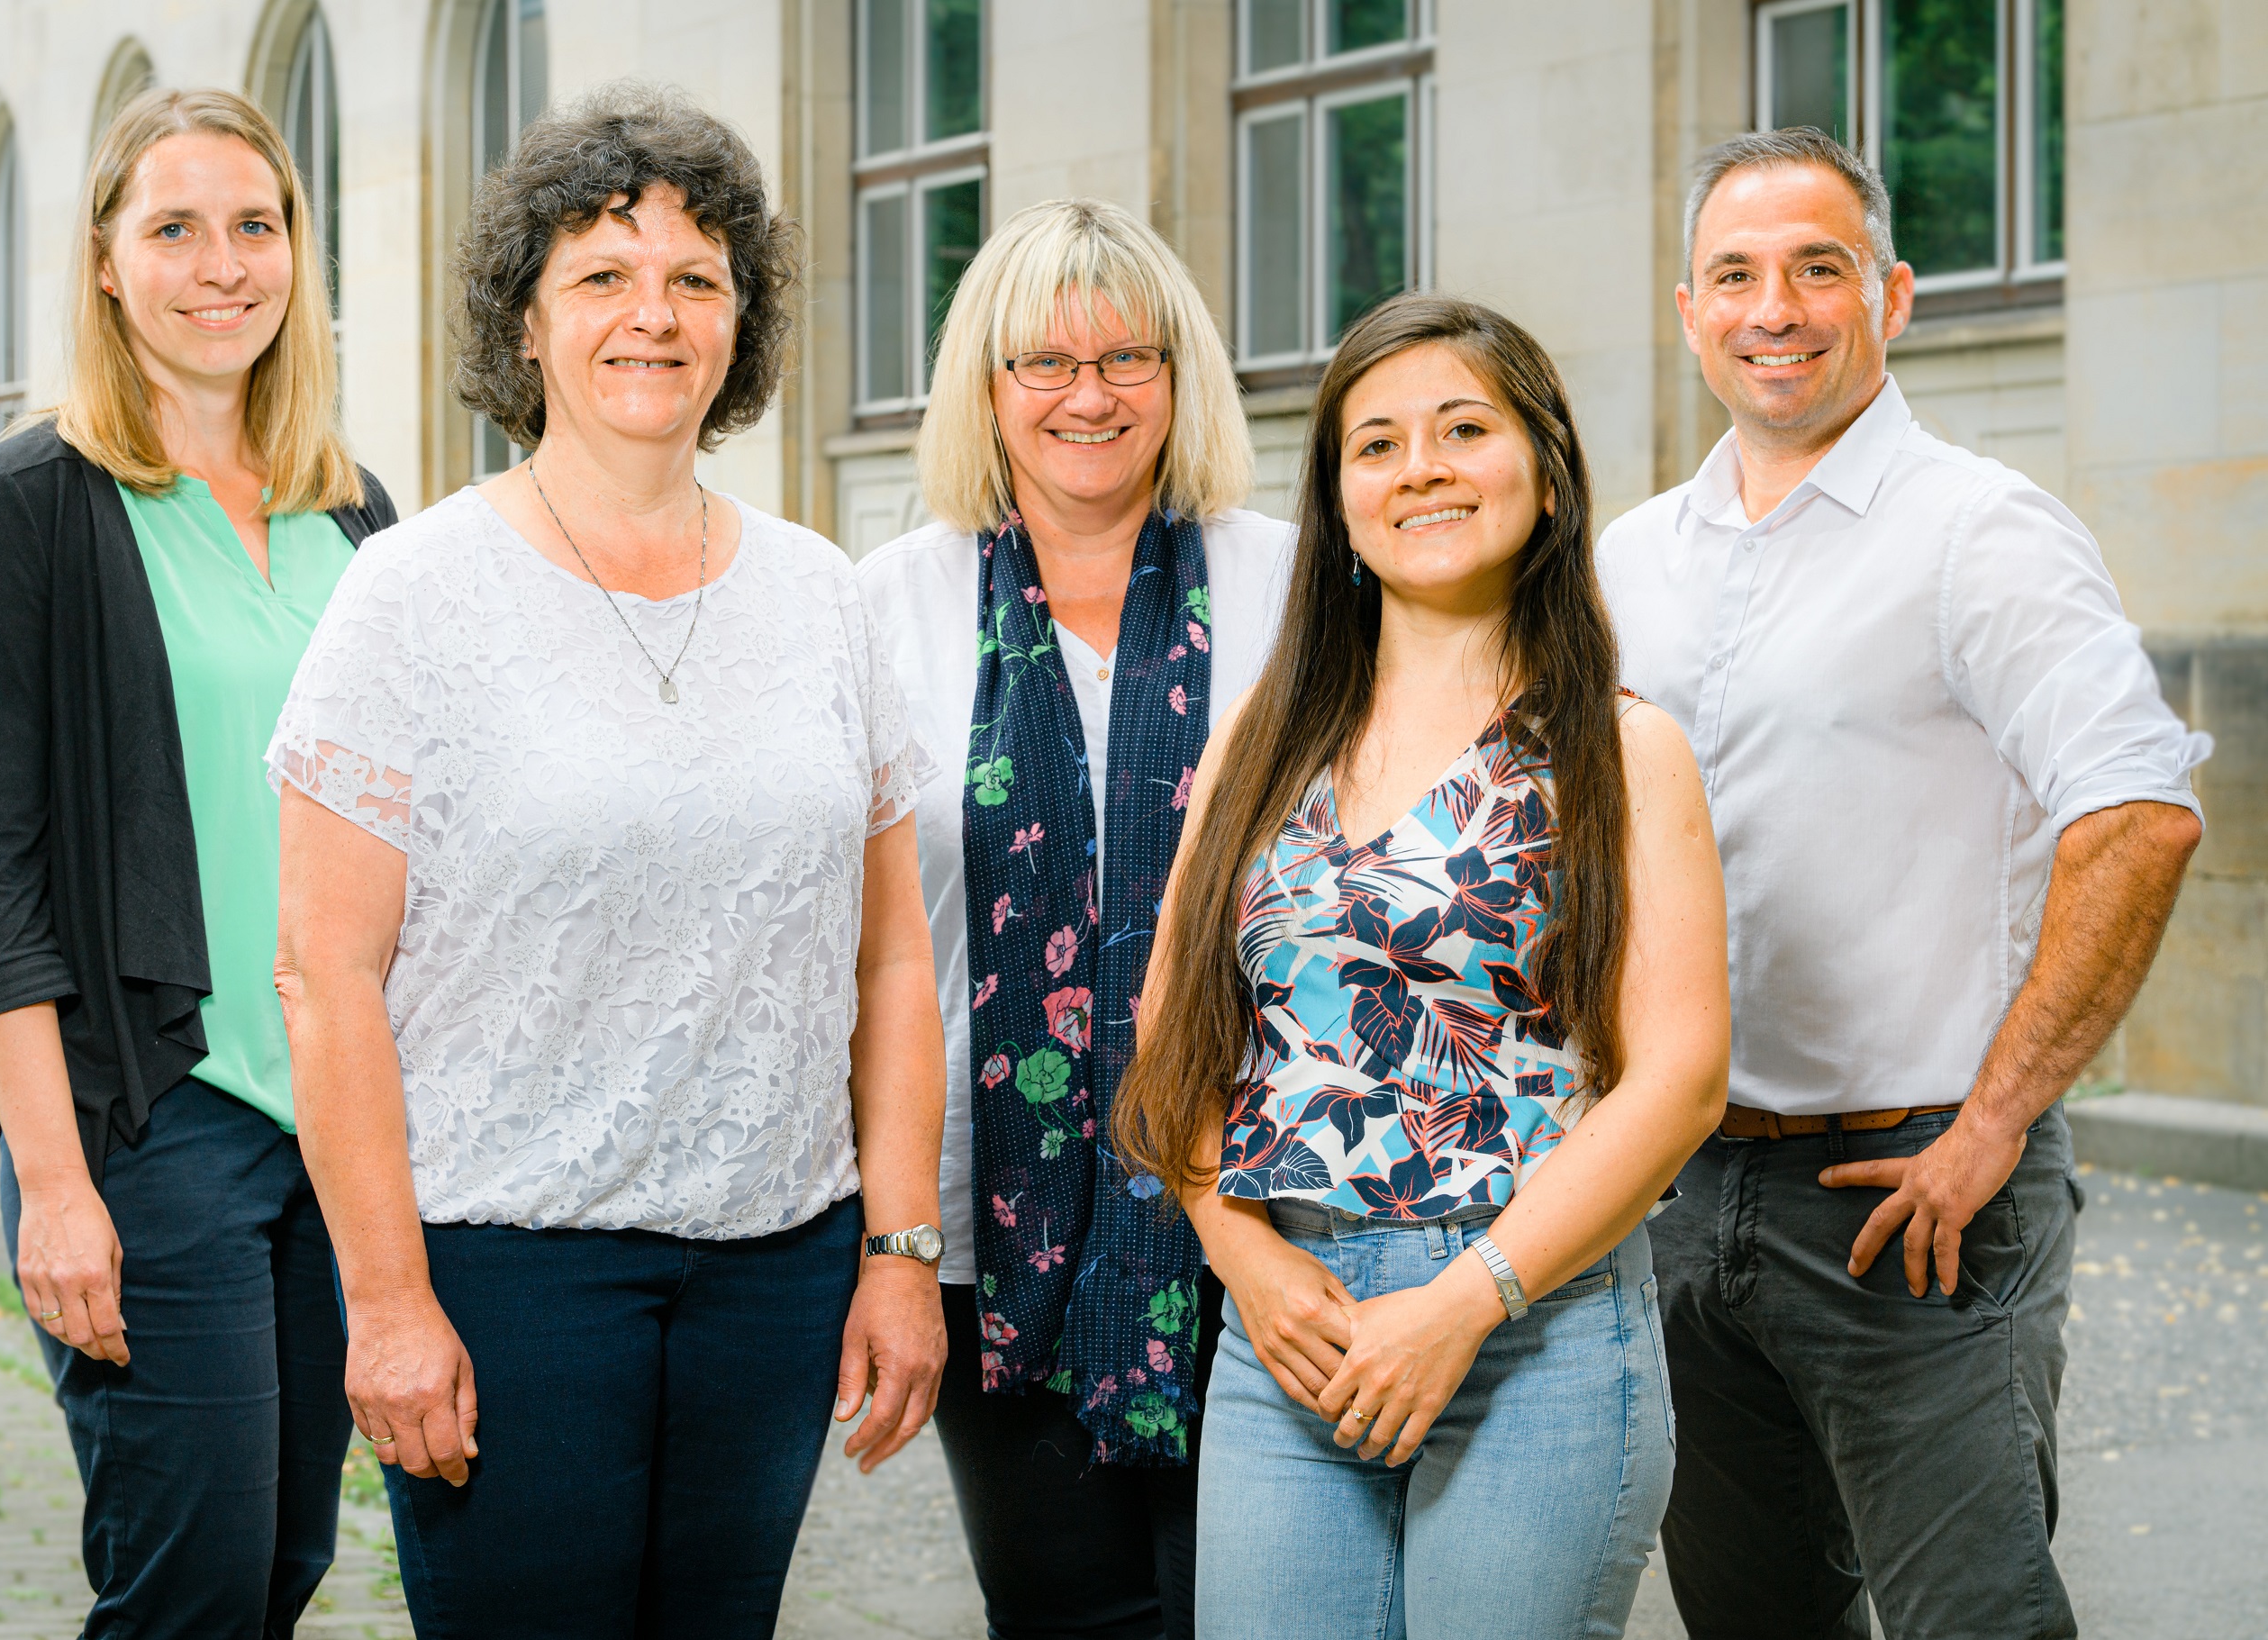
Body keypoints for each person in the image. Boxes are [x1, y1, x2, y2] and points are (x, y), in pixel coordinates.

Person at [268, 84, 947, 1640]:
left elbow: (895, 956)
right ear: (525, 320)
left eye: (695, 279)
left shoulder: (823, 597)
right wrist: (385, 1305)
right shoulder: (412, 594)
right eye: (603, 275)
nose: (654, 315)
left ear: (741, 323)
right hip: (507, 1277)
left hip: (775, 1272)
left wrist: (901, 1250)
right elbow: (324, 975)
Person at [1599, 127, 2208, 1640]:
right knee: (1753, 1621)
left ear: (1896, 295)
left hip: (1915, 1193)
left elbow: (2138, 813)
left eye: (1821, 268)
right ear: (1688, 310)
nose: (1776, 308)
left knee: (1975, 1619)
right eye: (1735, 274)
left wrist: (1996, 1118)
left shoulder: (1977, 531)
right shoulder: (1629, 560)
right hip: (1675, 1190)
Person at [1117, 292, 1731, 1640]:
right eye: (1378, 444)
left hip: (1535, 1325)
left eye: (1464, 428)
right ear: (1338, 502)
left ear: (1548, 472)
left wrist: (1467, 1300)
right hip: (1296, 1329)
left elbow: (1680, 1081)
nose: (1424, 468)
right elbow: (1173, 1041)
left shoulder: (1625, 755)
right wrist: (1245, 1258)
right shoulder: (1259, 749)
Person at [0, 89, 397, 1637]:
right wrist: (55, 1185)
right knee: (184, 1582)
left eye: (255, 226)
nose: (221, 264)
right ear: (108, 264)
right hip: (153, 1118)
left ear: (297, 258)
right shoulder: (26, 510)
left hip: (343, 1125)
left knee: (282, 1567)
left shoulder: (357, 513)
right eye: (174, 228)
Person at [858, 197, 1289, 1638]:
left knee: (1264, 1612)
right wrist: (894, 1248)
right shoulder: (882, 612)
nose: (1087, 394)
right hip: (1001, 1228)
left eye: (1126, 357)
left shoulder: (1295, 586)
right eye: (1042, 361)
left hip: (1269, 1213)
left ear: (1183, 376)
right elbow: (863, 954)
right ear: (985, 386)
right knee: (1069, 1619)